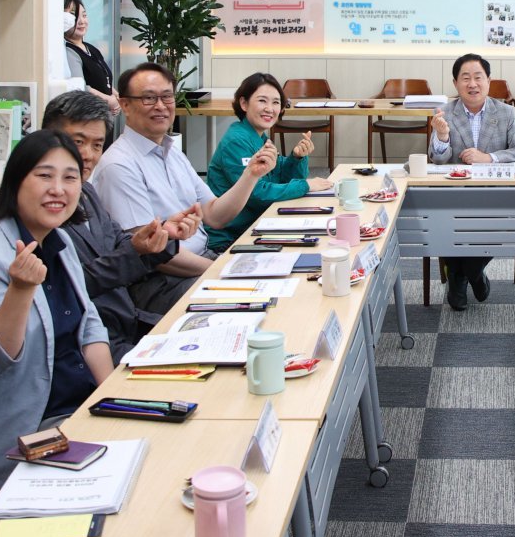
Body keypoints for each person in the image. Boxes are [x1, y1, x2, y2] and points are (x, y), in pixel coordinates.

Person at [0, 131, 112, 487]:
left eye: (70, 178)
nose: (58, 189)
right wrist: (20, 289)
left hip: (76, 407)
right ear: (15, 181)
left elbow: (88, 325)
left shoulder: (58, 239)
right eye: (44, 176)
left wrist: (112, 398)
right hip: (22, 430)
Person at [40, 91, 205, 357]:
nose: (87, 154)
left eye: (96, 145)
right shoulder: (42, 207)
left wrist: (160, 235)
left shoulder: (86, 192)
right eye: (77, 141)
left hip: (126, 325)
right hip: (85, 345)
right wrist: (137, 250)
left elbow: (119, 243)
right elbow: (72, 283)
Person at [90, 63, 278, 278]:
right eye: (149, 98)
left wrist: (251, 175)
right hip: (164, 279)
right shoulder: (119, 165)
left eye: (167, 97)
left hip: (204, 259)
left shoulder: (171, 152)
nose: (161, 106)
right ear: (125, 105)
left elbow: (215, 215)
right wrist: (221, 271)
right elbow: (151, 254)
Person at [428, 53, 515, 310]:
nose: (472, 84)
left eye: (478, 77)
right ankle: (470, 275)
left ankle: (463, 274)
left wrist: (489, 158)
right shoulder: (446, 113)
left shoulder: (506, 112)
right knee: (448, 220)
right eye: (465, 78)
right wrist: (442, 137)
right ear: (455, 83)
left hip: (496, 194)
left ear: (488, 81)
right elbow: (437, 161)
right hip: (455, 194)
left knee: (492, 220)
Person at [206, 72, 333, 252]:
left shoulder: (259, 137)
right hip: (229, 239)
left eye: (275, 102)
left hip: (255, 227)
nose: (270, 109)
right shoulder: (236, 141)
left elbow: (282, 179)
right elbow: (257, 194)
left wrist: (296, 158)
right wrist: (306, 185)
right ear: (243, 103)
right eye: (262, 101)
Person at [63, 0, 118, 114]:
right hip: (88, 116)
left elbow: (105, 80)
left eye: (84, 15)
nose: (81, 21)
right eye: (75, 16)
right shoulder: (68, 51)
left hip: (104, 115)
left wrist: (117, 97)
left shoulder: (91, 48)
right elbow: (79, 87)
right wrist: (108, 100)